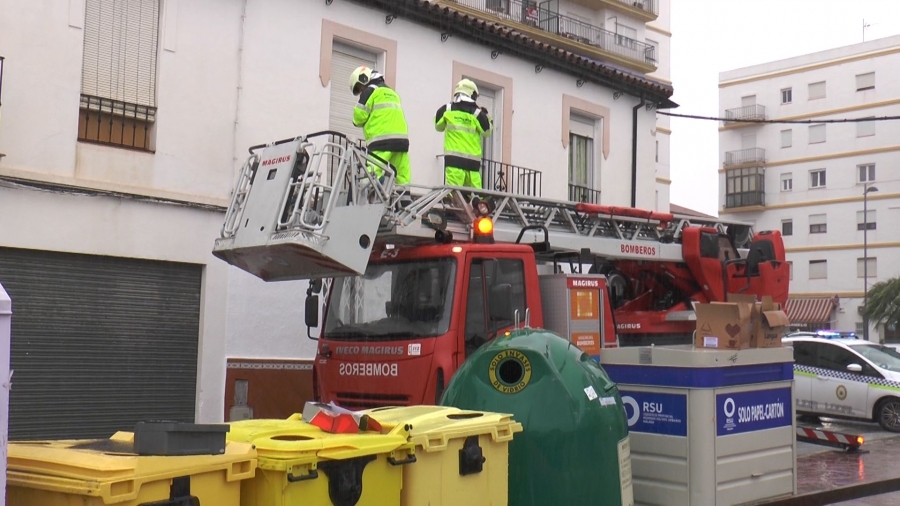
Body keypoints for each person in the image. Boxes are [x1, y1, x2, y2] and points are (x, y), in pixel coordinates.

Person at [349, 66, 411, 185]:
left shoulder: (370, 91)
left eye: (359, 87)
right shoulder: (393, 93)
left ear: (363, 79)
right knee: (402, 179)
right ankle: (402, 197)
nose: (361, 91)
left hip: (381, 142)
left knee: (372, 175)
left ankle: (375, 193)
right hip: (401, 142)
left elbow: (358, 118)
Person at [434, 79, 493, 189]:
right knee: (476, 196)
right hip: (473, 165)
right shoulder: (477, 114)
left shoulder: (446, 109)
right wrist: (487, 116)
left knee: (453, 194)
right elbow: (487, 132)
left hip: (453, 162)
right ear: (471, 93)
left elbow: (438, 126)